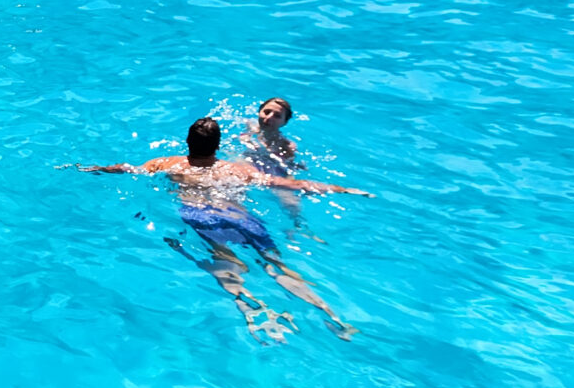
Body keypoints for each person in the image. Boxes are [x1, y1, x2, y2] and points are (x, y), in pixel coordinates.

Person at [84, 117, 368, 338]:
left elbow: (126, 168)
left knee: (225, 262)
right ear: (218, 146)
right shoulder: (237, 170)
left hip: (201, 216)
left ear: (187, 141)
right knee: (275, 265)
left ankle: (251, 307)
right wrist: (343, 189)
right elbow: (291, 184)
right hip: (243, 219)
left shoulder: (167, 163)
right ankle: (331, 314)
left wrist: (91, 168)